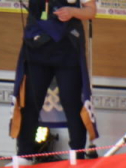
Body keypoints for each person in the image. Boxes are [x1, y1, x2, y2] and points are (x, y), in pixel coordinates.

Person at [11, 0, 98, 158]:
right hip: (36, 48)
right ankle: (24, 155)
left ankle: (76, 154)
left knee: (72, 102)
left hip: (68, 49)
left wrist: (72, 12)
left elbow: (91, 11)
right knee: (30, 101)